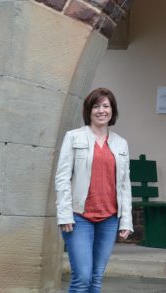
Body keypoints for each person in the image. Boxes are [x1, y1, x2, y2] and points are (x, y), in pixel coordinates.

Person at [55, 87, 133, 293]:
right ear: (89, 110)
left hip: (109, 218)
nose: (101, 110)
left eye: (106, 106)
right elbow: (62, 178)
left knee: (96, 279)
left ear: (112, 111)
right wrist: (64, 215)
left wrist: (126, 220)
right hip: (79, 217)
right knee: (81, 278)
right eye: (96, 106)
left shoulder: (121, 143)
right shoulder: (73, 137)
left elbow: (125, 185)